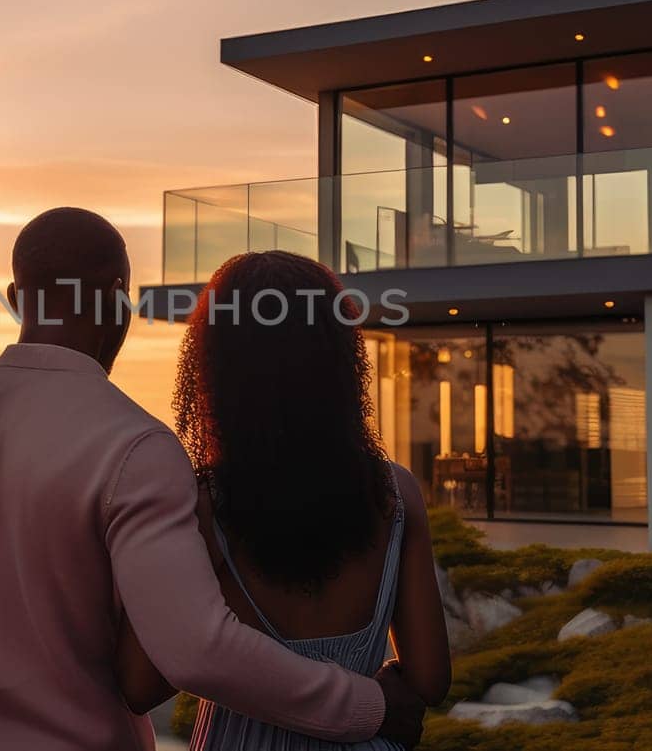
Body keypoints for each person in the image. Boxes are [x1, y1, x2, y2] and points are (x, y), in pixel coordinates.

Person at [0, 209, 425, 751]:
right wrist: (370, 707)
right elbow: (195, 649)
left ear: (15, 299)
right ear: (116, 298)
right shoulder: (134, 448)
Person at [116, 250, 453, 749]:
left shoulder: (204, 507)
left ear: (216, 368)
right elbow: (430, 680)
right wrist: (363, 687)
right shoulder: (394, 495)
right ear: (339, 360)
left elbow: (142, 682)